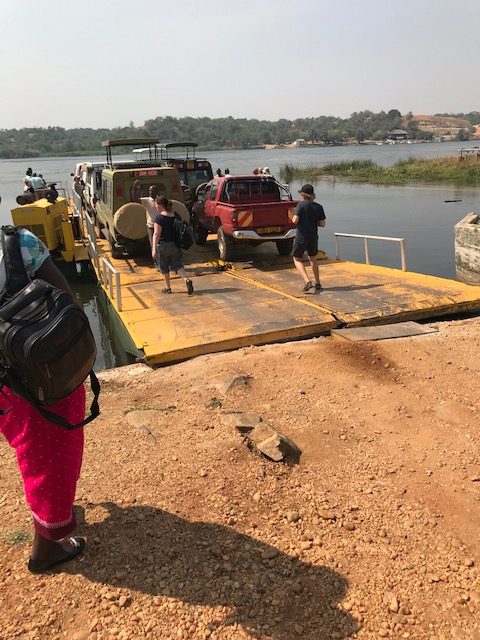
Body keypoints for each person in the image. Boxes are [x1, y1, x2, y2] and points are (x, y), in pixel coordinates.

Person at [0, 196, 87, 574]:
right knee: (50, 456)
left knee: (28, 450)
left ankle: (51, 510)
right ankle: (47, 546)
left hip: (4, 383)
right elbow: (65, 296)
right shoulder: (19, 244)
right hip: (40, 375)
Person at [152, 196, 194, 295]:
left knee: (164, 267)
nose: (155, 206)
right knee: (177, 265)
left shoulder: (159, 218)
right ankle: (186, 279)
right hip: (175, 245)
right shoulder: (176, 215)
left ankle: (168, 288)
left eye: (156, 204)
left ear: (161, 205)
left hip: (163, 245)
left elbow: (156, 234)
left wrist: (153, 248)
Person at [291, 184, 326, 293]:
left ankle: (307, 281)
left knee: (297, 259)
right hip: (313, 237)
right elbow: (322, 224)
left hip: (301, 237)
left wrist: (293, 215)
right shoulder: (319, 207)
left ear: (302, 194)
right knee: (313, 258)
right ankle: (318, 283)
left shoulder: (300, 205)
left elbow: (295, 221)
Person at [131, 180, 159, 248]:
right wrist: (134, 188)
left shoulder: (160, 200)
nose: (151, 192)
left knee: (160, 244)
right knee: (153, 245)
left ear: (156, 192)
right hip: (151, 226)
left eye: (152, 190)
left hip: (160, 225)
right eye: (150, 190)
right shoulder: (147, 200)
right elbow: (135, 199)